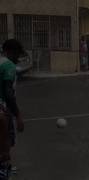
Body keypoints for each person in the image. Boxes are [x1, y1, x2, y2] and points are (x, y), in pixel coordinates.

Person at [0, 39, 25, 180]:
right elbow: (8, 93)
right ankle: (4, 171)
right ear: (11, 52)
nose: (18, 58)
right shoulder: (9, 65)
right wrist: (18, 115)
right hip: (2, 110)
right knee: (5, 145)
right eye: (17, 54)